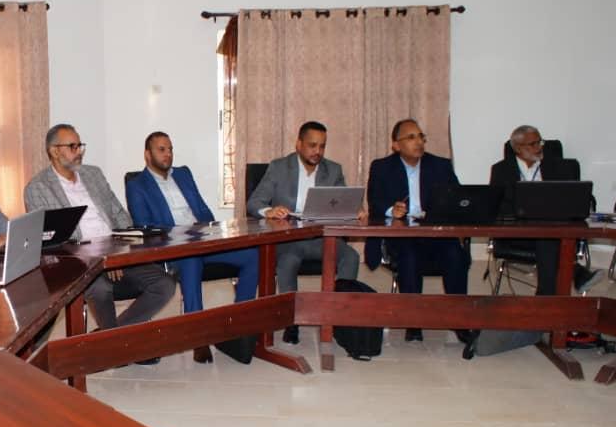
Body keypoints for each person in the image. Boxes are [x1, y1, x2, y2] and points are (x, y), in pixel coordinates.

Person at [24, 123, 175, 361]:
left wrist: (118, 252)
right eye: (72, 146)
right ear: (54, 151)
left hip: (116, 250)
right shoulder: (38, 187)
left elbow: (120, 215)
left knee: (164, 284)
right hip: (81, 263)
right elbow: (53, 242)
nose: (79, 151)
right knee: (101, 288)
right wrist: (101, 259)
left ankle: (109, 340)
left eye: (80, 145)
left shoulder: (93, 174)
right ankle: (121, 347)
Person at [126, 131, 258, 363]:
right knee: (191, 259)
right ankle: (197, 337)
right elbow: (145, 226)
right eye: (161, 150)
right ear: (147, 155)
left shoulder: (183, 174)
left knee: (252, 255)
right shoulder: (137, 185)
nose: (168, 154)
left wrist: (209, 230)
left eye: (170, 149)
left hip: (203, 239)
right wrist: (184, 235)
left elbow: (203, 210)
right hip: (174, 248)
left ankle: (238, 325)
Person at [246, 121, 361, 344]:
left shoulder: (333, 170)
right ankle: (292, 321)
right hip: (288, 239)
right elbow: (254, 202)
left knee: (351, 257)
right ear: (298, 144)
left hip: (321, 238)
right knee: (288, 261)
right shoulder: (279, 167)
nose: (317, 151)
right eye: (312, 145)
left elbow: (344, 203)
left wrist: (355, 210)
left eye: (322, 146)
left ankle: (338, 316)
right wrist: (269, 211)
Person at [365, 118, 474, 344]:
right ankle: (413, 320)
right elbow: (375, 203)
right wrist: (391, 210)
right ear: (396, 145)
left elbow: (458, 200)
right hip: (402, 235)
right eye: (411, 137)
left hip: (435, 234)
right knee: (408, 255)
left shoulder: (441, 166)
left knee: (455, 254)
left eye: (421, 137)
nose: (418, 142)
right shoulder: (381, 167)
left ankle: (460, 320)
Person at [489, 124, 600, 295]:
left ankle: (545, 299)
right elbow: (496, 204)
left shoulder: (560, 167)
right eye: (533, 144)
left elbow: (574, 197)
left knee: (547, 238)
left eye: (540, 142)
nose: (539, 147)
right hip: (518, 232)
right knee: (549, 239)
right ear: (518, 148)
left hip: (553, 228)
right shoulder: (501, 170)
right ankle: (575, 273)